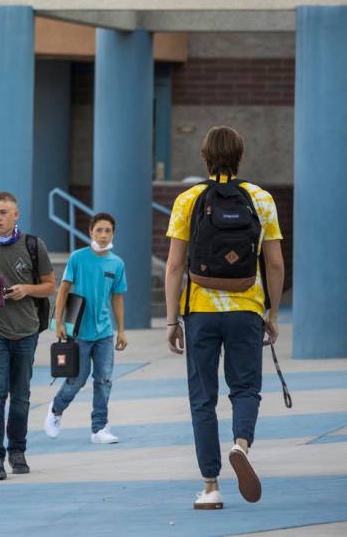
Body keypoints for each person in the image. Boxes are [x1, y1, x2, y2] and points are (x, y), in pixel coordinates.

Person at [164, 125, 284, 510]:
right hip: (246, 308)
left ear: (204, 156)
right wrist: (273, 313)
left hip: (201, 310)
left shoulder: (188, 199)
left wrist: (171, 320)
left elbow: (174, 265)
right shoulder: (260, 199)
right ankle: (241, 444)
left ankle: (211, 486)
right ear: (240, 156)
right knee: (245, 388)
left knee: (203, 398)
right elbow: (276, 263)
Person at [0, 192, 56, 480]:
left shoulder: (34, 245)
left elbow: (49, 285)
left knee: (21, 394)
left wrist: (26, 289)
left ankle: (18, 450)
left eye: (3, 212)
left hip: (26, 330)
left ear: (16, 215)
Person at [44, 212, 128, 443]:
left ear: (113, 234)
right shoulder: (78, 258)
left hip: (104, 334)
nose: (103, 235)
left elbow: (117, 298)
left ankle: (99, 428)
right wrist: (59, 321)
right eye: (99, 230)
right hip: (79, 332)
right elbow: (63, 289)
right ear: (91, 231)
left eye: (107, 230)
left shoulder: (117, 263)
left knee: (104, 380)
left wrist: (121, 330)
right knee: (76, 380)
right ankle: (56, 410)